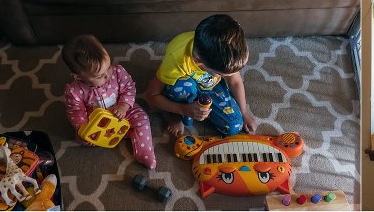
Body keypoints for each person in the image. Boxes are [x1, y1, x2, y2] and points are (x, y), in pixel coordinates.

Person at [145, 14, 256, 137]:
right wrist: (182, 109)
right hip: (184, 85)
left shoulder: (225, 55)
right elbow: (151, 96)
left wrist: (244, 113)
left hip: (209, 85)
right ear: (197, 59)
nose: (230, 76)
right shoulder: (176, 59)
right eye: (221, 74)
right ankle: (177, 116)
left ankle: (196, 108)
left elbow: (235, 82)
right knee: (182, 87)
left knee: (234, 127)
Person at [62, 35, 156, 169]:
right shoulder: (74, 91)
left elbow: (129, 88)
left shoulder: (117, 72)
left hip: (122, 109)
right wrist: (82, 127)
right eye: (100, 75)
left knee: (142, 119)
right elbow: (75, 112)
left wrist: (124, 105)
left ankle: (144, 153)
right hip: (97, 120)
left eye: (108, 67)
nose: (107, 75)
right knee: (83, 138)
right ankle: (119, 133)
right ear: (78, 76)